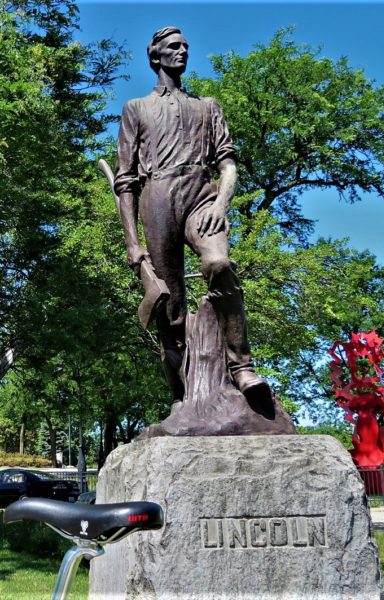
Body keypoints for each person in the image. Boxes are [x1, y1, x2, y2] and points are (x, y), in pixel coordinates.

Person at [114, 26, 273, 415]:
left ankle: (242, 366)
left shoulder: (208, 105)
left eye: (185, 45)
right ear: (156, 56)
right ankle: (183, 395)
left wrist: (222, 202)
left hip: (202, 195)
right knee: (170, 305)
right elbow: (125, 182)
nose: (182, 51)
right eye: (174, 47)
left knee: (218, 264)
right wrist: (132, 243)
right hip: (157, 198)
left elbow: (228, 162)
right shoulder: (137, 108)